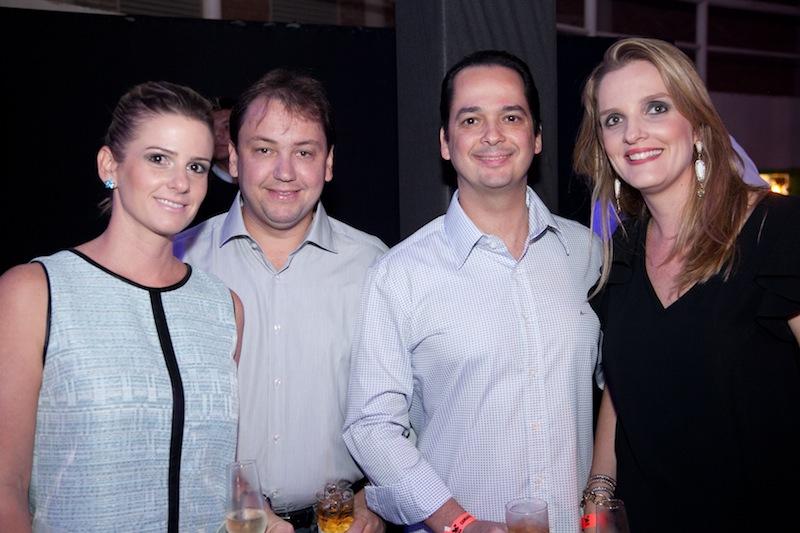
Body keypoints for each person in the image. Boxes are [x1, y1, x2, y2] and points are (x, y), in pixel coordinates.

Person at [343, 50, 602, 533]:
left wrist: (603, 496)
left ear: (537, 136)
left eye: (511, 116)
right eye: (470, 119)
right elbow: (372, 426)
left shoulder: (587, 254)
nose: (492, 134)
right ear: (445, 143)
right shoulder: (400, 274)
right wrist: (457, 522)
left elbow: (620, 391)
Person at [573, 37, 800, 532]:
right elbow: (622, 384)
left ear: (697, 124)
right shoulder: (621, 250)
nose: (633, 133)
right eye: (613, 119)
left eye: (655, 108)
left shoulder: (778, 231)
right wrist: (598, 493)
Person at [0, 81, 245, 531]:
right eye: (158, 159)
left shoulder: (223, 307)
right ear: (109, 165)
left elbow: (214, 470)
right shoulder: (34, 292)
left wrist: (262, 514)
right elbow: (5, 489)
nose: (181, 183)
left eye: (195, 166)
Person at [174, 69, 387, 533]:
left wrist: (378, 497)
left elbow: (410, 405)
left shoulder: (375, 266)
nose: (285, 172)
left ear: (328, 163)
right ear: (233, 159)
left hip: (339, 523)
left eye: (304, 152)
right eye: (265, 149)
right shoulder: (180, 262)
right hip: (215, 521)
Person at [195, 95, 240, 223]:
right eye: (211, 128)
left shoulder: (261, 177)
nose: (217, 134)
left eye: (226, 127)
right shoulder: (200, 186)